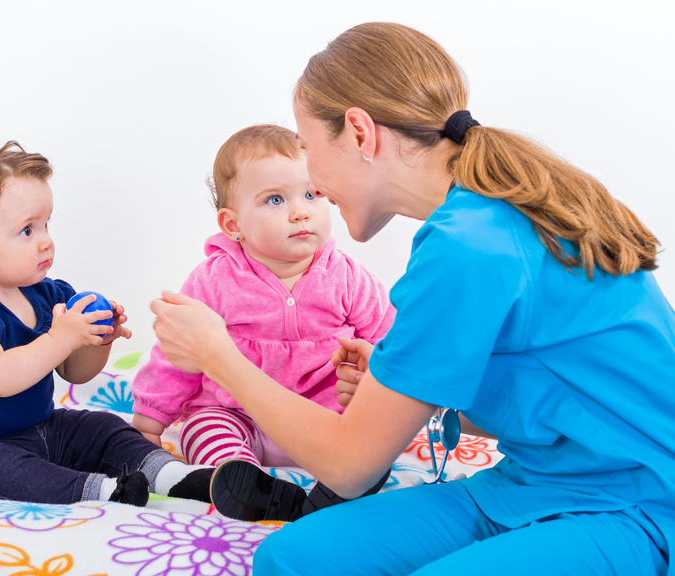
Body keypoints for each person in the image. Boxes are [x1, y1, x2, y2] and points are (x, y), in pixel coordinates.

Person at [148, 22, 675, 575]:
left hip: (640, 501)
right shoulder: (472, 222)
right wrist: (395, 388)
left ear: (358, 133)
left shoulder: (471, 244)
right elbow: (556, 399)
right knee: (291, 556)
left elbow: (349, 467)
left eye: (307, 148)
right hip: (537, 482)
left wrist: (217, 357)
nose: (314, 184)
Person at [0, 141, 212, 507]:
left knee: (102, 427)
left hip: (39, 429)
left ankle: (175, 475)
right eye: (26, 231)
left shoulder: (48, 296)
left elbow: (73, 372)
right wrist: (61, 337)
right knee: (13, 472)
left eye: (45, 224)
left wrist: (95, 341)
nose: (46, 242)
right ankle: (102, 490)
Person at [132, 124, 395, 521]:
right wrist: (148, 425)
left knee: (371, 434)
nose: (301, 210)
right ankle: (248, 483)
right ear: (233, 224)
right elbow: (176, 355)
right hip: (238, 414)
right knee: (203, 428)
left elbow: (390, 338)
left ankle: (342, 484)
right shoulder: (214, 280)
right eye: (275, 199)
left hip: (321, 418)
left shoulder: (347, 276)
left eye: (312, 194)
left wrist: (373, 383)